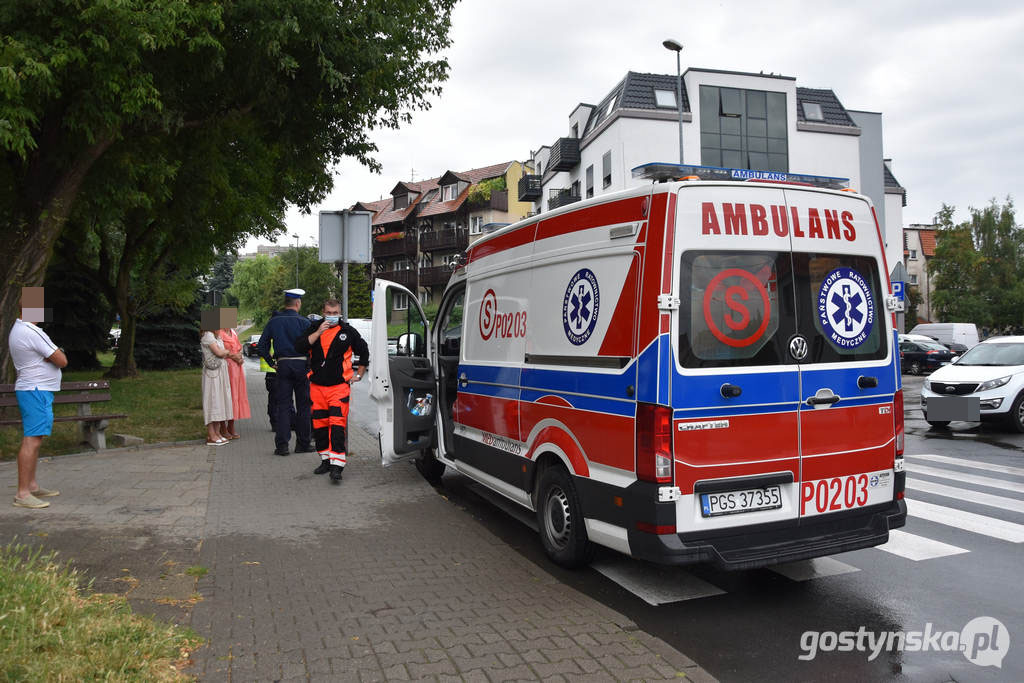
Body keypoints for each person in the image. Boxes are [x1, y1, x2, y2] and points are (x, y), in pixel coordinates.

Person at [294, 299, 369, 483]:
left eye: (335, 313)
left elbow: (364, 351)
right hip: (317, 387)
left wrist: (358, 375)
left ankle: (337, 467)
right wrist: (319, 332)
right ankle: (325, 461)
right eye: (329, 312)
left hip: (339, 388)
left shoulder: (347, 332)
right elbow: (300, 346)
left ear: (340, 313)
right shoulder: (314, 327)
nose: (332, 316)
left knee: (337, 426)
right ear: (323, 312)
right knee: (320, 427)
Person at [8, 302, 67, 509]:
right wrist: (55, 353)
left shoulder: (18, 329)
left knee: (35, 437)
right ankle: (23, 494)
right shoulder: (31, 331)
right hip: (35, 390)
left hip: (33, 389)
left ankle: (31, 486)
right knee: (31, 439)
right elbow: (61, 360)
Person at [257, 289, 314, 456]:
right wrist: (310, 365)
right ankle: (303, 443)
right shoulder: (305, 323)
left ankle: (282, 446)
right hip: (301, 366)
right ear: (297, 303)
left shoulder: (274, 322)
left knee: (283, 406)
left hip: (282, 366)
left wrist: (271, 362)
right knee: (303, 406)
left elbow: (262, 346)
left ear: (285, 304)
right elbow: (313, 346)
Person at [200, 327, 233, 445]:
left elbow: (222, 352)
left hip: (220, 372)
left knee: (220, 401)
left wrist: (224, 352)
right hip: (212, 374)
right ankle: (211, 434)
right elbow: (219, 352)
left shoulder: (216, 336)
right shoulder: (208, 335)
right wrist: (226, 352)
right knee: (212, 401)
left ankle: (217, 432)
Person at [218, 324, 250, 438]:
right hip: (226, 368)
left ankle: (231, 425)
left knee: (235, 396)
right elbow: (219, 350)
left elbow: (239, 349)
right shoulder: (219, 333)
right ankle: (222, 427)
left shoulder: (233, 332)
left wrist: (240, 358)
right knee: (225, 396)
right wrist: (234, 357)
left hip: (237, 369)